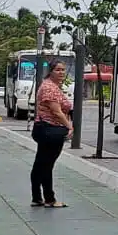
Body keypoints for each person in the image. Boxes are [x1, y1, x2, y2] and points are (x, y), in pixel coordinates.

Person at [30, 62, 73, 208]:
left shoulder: (52, 86)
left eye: (63, 70)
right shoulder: (49, 88)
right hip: (50, 130)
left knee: (41, 164)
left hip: (47, 129)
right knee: (46, 165)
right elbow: (56, 112)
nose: (61, 73)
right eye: (58, 70)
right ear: (51, 71)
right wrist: (70, 127)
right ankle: (49, 199)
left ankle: (37, 197)